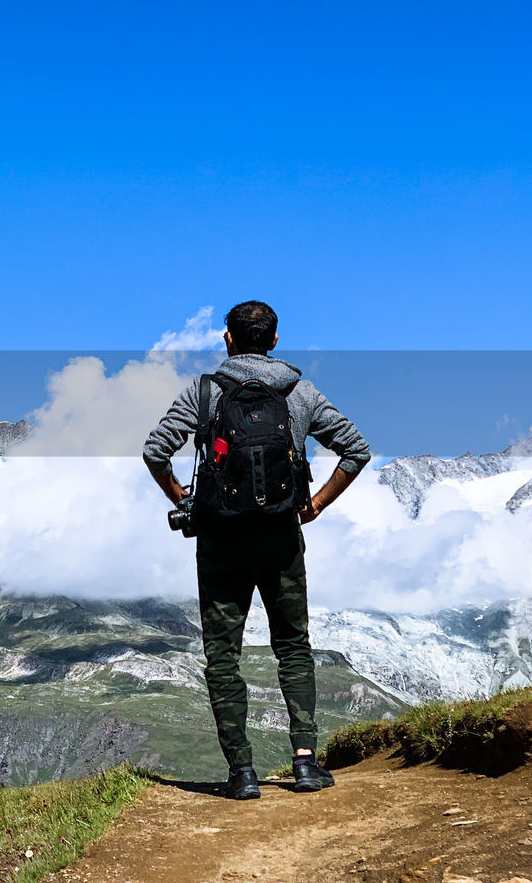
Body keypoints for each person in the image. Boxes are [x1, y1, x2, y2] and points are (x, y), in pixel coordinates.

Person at [142, 301, 370, 799]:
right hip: (281, 538)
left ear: (228, 339)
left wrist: (183, 498)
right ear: (274, 339)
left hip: (221, 541)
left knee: (223, 655)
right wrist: (315, 505)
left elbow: (155, 451)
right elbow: (357, 450)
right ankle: (306, 763)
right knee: (292, 644)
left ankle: (242, 772)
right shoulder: (298, 392)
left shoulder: (203, 393)